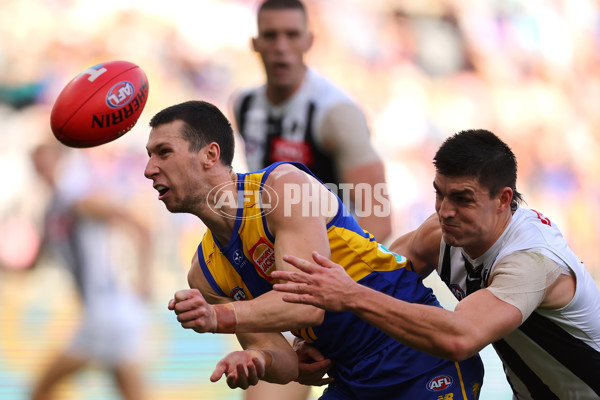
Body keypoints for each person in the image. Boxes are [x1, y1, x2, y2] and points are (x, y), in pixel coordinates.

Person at [145, 100, 484, 399]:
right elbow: (286, 360)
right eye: (148, 156)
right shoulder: (203, 273)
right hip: (351, 377)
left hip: (416, 357)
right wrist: (257, 360)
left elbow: (307, 307)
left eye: (164, 152)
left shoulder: (281, 188)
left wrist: (218, 317)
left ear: (210, 154)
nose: (149, 170)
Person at [272, 129, 600, 399]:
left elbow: (461, 338)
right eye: (439, 194)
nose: (445, 210)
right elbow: (378, 283)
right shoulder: (441, 233)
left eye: (462, 199)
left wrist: (351, 297)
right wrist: (312, 341)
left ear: (502, 200)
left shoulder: (532, 259)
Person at [231, 0, 392, 244]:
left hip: (332, 259)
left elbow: (378, 218)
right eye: (271, 35)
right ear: (256, 43)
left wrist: (332, 275)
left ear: (309, 41)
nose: (281, 47)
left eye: (292, 35)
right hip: (278, 251)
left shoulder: (336, 113)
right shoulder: (244, 105)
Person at [28, 142, 152, 400]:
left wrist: (144, 278)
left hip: (107, 310)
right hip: (105, 311)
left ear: (60, 161)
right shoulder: (51, 211)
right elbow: (31, 264)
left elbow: (139, 224)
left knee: (42, 388)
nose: (43, 168)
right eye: (37, 163)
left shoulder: (79, 199)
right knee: (132, 392)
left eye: (47, 159)